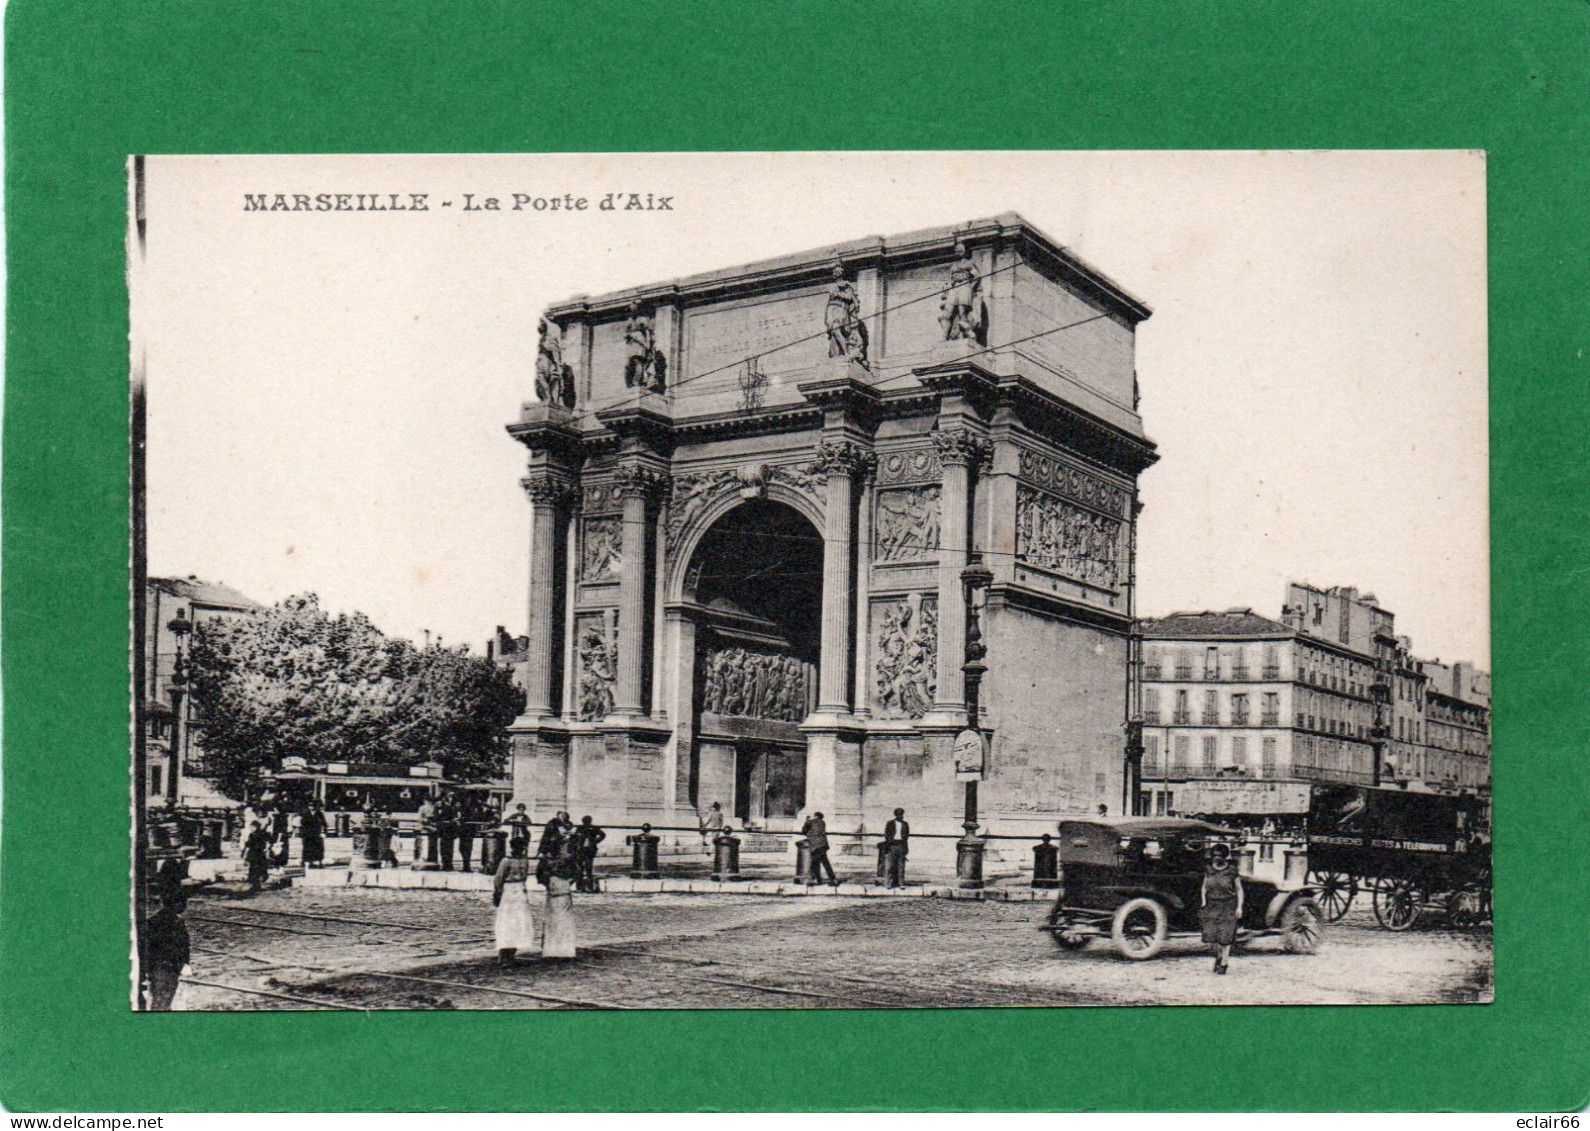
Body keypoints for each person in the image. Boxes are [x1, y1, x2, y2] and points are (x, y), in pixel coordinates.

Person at [140, 895, 191, 1011]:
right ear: (171, 904)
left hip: (171, 968)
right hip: (162, 969)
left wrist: (185, 963)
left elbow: (184, 945)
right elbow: (148, 948)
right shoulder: (157, 922)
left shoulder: (176, 921)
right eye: (181, 903)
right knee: (161, 1001)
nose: (184, 907)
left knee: (165, 999)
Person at [1199, 841, 1243, 974]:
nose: (1216, 858)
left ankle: (1224, 962)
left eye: (1219, 855)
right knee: (1213, 935)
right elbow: (1204, 886)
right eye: (1214, 855)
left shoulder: (1231, 870)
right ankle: (1218, 957)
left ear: (1225, 857)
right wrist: (1203, 900)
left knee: (1226, 935)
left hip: (1228, 904)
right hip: (1212, 904)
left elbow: (1239, 889)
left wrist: (1239, 907)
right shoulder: (1209, 869)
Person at [491, 836, 536, 965]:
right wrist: (497, 893)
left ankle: (512, 953)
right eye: (518, 847)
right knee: (507, 922)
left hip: (520, 893)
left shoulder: (525, 860)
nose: (521, 849)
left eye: (522, 847)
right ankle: (503, 954)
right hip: (509, 892)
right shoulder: (506, 861)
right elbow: (498, 879)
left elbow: (525, 876)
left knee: (519, 922)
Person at [541, 839, 581, 959]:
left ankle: (552, 950)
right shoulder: (568, 859)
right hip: (563, 890)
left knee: (553, 920)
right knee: (563, 919)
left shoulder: (548, 860)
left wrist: (549, 884)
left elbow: (540, 875)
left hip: (555, 890)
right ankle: (564, 950)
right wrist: (568, 883)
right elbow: (578, 872)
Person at [802, 810, 838, 887]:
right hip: (823, 845)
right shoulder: (822, 822)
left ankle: (818, 879)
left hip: (815, 846)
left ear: (815, 816)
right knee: (823, 863)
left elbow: (804, 831)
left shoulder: (811, 822)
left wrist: (806, 821)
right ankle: (829, 879)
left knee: (815, 863)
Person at [571, 816, 606, 893]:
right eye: (585, 821)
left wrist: (595, 841)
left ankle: (589, 887)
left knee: (588, 868)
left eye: (587, 821)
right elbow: (576, 837)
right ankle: (580, 887)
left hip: (590, 850)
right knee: (580, 868)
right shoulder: (580, 828)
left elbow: (603, 835)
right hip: (581, 850)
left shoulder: (593, 828)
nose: (586, 823)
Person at [882, 807, 910, 888]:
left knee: (901, 866)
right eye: (899, 814)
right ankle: (889, 883)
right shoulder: (890, 823)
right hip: (892, 845)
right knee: (890, 866)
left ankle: (901, 884)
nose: (901, 816)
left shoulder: (905, 824)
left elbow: (906, 836)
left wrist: (905, 848)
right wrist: (889, 843)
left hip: (901, 845)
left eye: (901, 814)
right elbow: (886, 834)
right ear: (895, 815)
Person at [243, 820, 272, 891]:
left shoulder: (262, 834)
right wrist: (245, 855)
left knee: (260, 869)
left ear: (257, 827)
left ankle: (259, 883)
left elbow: (270, 841)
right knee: (253, 869)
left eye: (253, 827)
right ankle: (255, 885)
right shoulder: (251, 835)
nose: (252, 828)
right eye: (250, 827)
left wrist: (267, 848)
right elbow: (248, 846)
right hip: (252, 854)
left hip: (260, 854)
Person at [299, 800, 327, 868]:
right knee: (307, 848)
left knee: (319, 848)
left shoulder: (319, 813)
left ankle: (320, 862)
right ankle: (308, 862)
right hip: (307, 834)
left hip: (317, 833)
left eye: (312, 806)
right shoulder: (305, 813)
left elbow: (324, 823)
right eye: (310, 806)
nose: (311, 807)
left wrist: (324, 832)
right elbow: (301, 823)